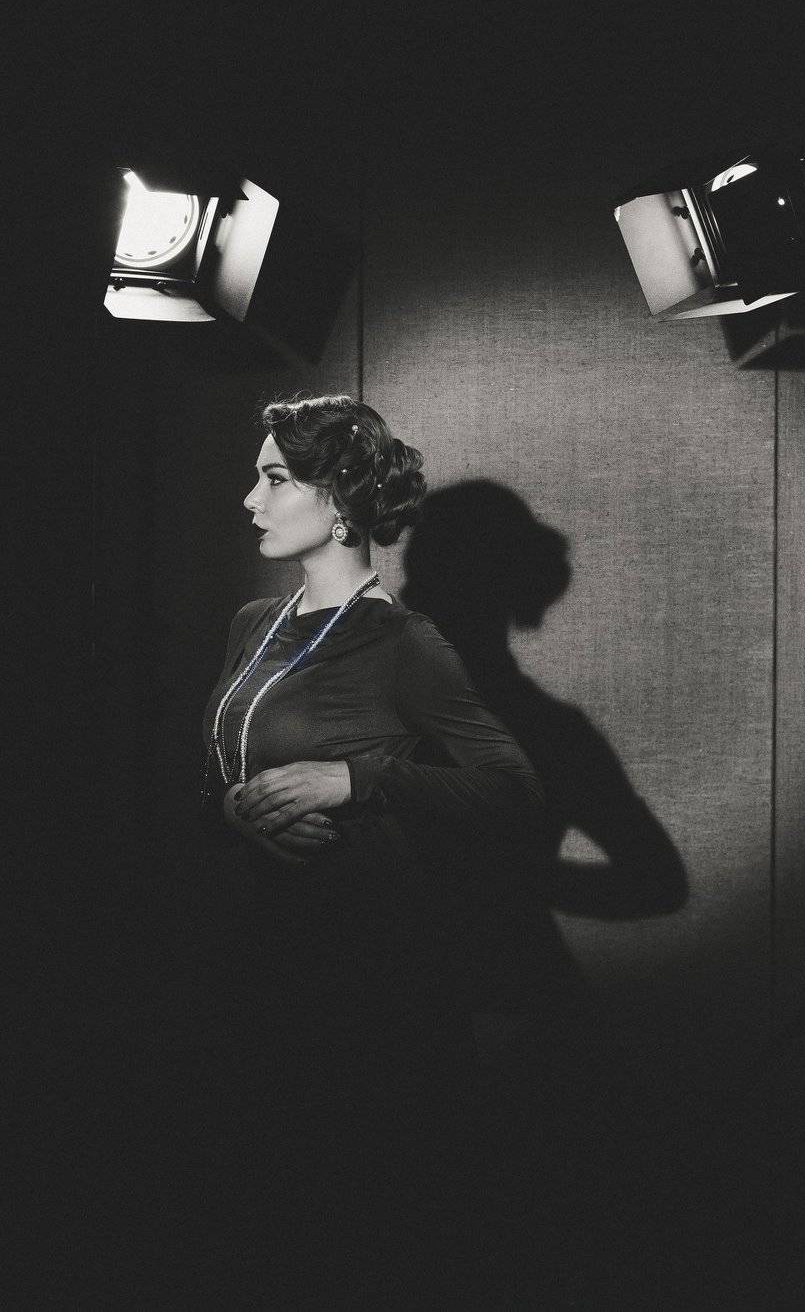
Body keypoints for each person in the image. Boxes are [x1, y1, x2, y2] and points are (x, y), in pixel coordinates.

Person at [199, 393, 544, 1187]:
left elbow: (514, 789)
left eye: (274, 479)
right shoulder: (254, 622)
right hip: (259, 956)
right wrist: (232, 809)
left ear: (339, 499)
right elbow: (218, 764)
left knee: (364, 1196)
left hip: (369, 973)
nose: (251, 499)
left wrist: (358, 778)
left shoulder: (403, 641)